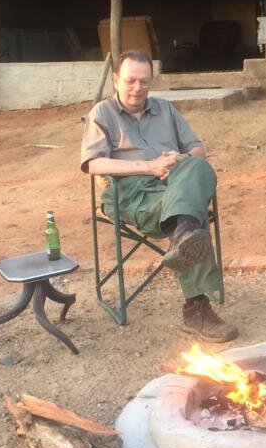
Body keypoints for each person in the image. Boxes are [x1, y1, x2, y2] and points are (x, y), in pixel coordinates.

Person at [80, 50, 237, 342]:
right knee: (190, 212)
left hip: (174, 186)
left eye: (144, 81)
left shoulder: (166, 110)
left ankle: (184, 233)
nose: (137, 88)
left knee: (197, 167)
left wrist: (175, 160)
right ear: (115, 80)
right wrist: (149, 166)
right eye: (130, 81)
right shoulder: (102, 113)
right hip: (131, 194)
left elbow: (197, 149)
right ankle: (196, 305)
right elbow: (93, 164)